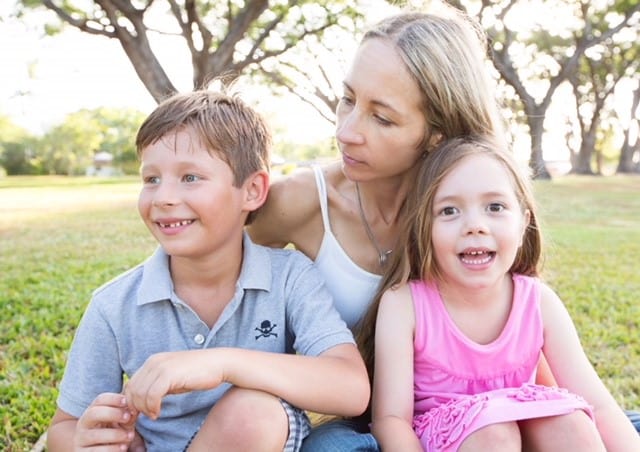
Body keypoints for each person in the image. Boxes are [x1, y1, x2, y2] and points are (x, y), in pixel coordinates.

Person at [247, 4, 640, 450]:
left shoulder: (476, 205)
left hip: (489, 417)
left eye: (382, 117)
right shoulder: (300, 200)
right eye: (348, 99)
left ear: (436, 133)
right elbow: (201, 272)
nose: (347, 131)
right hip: (374, 423)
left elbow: (530, 360)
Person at [46, 89, 370, 452]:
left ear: (252, 190)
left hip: (254, 436)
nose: (164, 197)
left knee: (253, 414)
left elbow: (351, 387)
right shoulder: (114, 304)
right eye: (151, 179)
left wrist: (221, 363)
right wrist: (84, 440)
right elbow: (64, 427)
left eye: (189, 178)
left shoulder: (290, 277)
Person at [361, 135, 640, 451]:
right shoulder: (405, 304)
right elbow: (391, 419)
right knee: (495, 434)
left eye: (495, 207)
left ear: (523, 224)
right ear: (425, 227)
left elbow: (598, 404)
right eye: (449, 211)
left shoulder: (539, 301)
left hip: (526, 425)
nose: (475, 225)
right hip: (455, 439)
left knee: (571, 422)